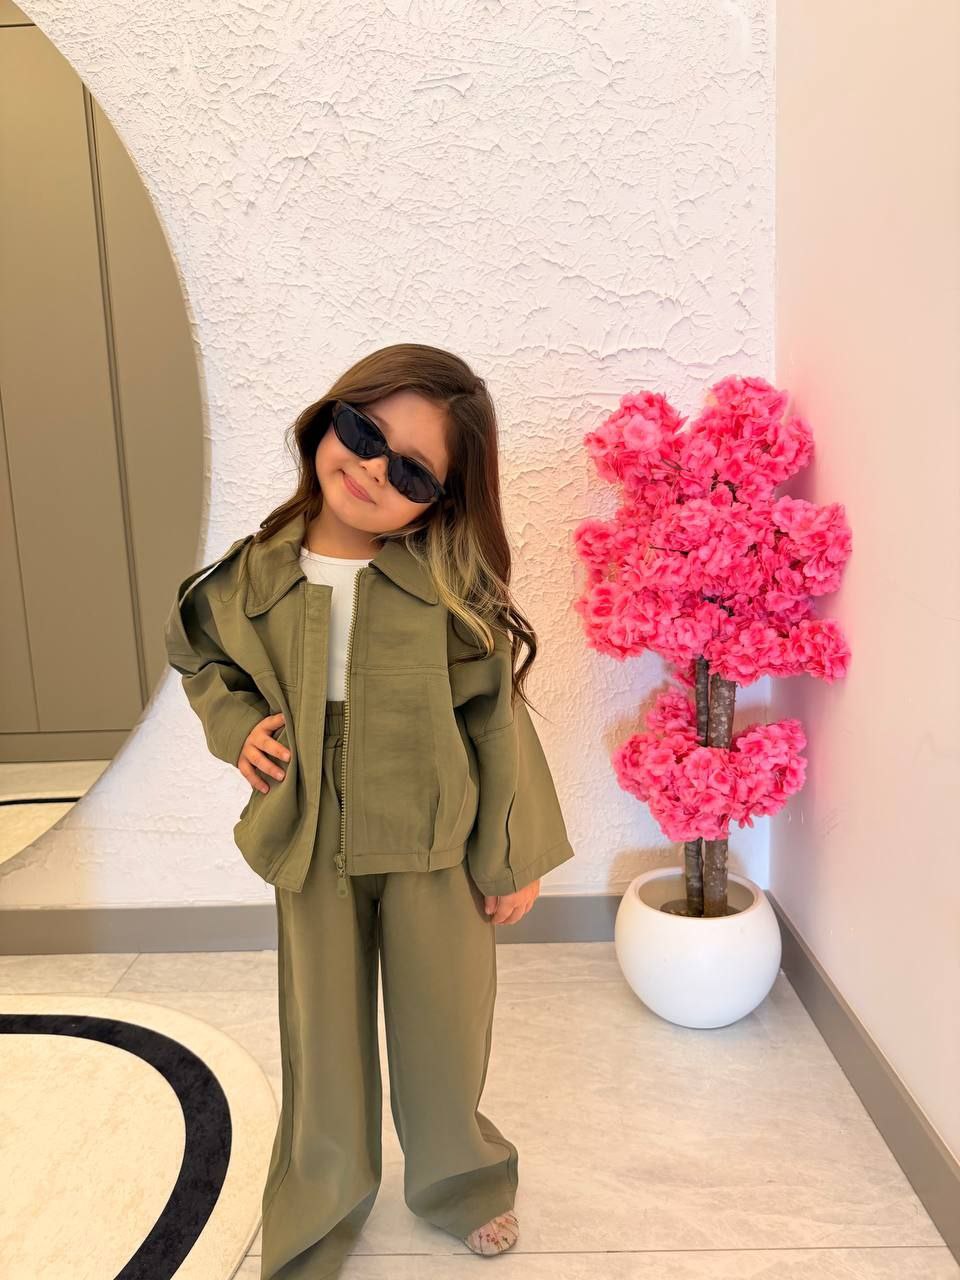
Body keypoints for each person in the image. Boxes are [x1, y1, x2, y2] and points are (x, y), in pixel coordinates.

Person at [164, 342, 575, 1279]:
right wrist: (237, 728)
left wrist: (510, 856)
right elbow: (199, 656)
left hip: (436, 837)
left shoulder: (446, 588)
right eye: (363, 431)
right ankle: (320, 1199)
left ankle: (462, 1183)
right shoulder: (252, 576)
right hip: (308, 836)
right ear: (328, 418)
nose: (374, 469)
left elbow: (496, 719)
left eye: (414, 471)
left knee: (444, 1030)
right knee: (322, 1040)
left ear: (441, 500)